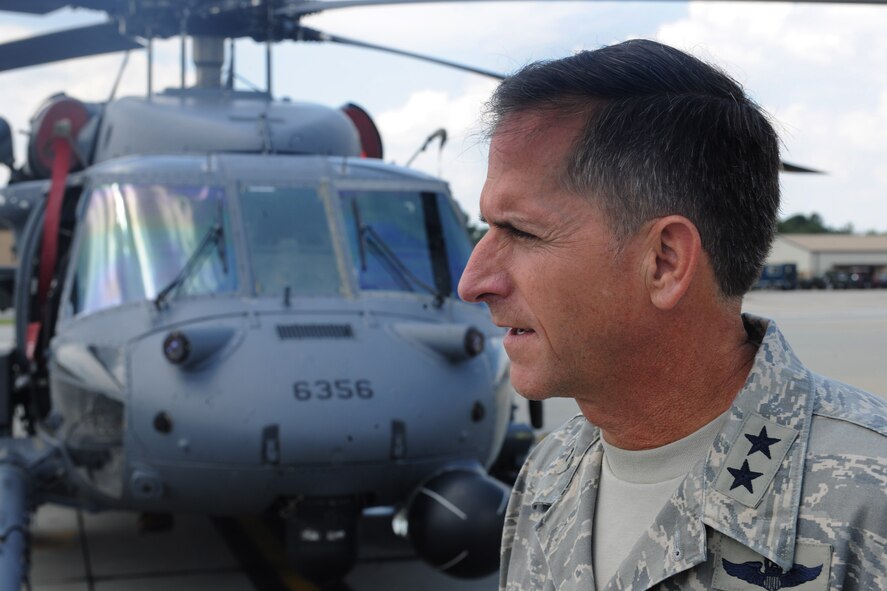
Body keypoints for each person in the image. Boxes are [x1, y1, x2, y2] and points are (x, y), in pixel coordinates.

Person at [457, 39, 887, 591]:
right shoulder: (549, 474)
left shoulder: (870, 497)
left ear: (664, 262)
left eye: (520, 231)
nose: (474, 283)